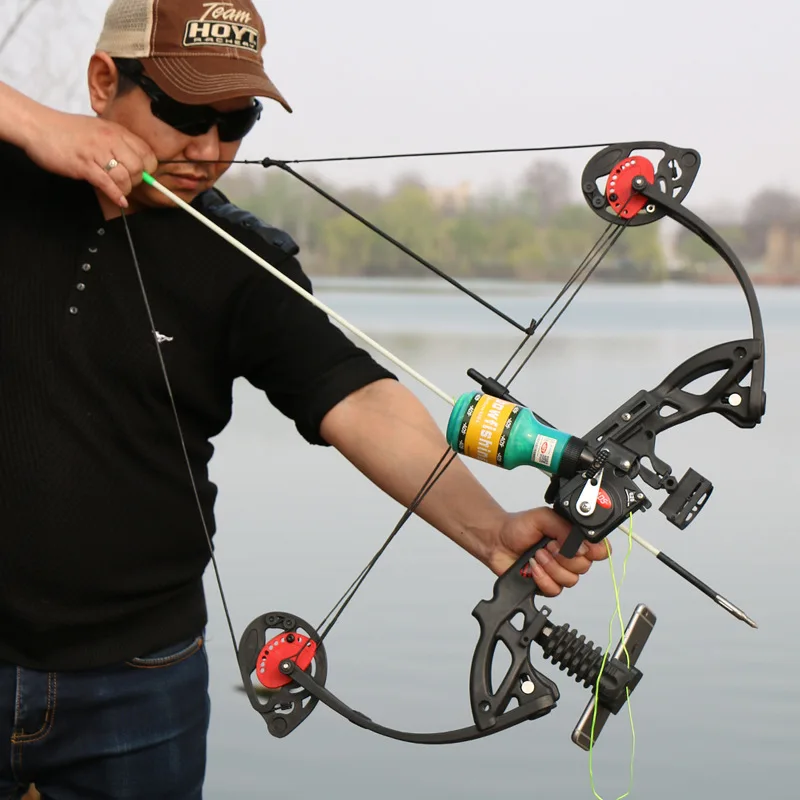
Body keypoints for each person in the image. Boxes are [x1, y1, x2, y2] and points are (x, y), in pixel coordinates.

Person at [0, 0, 609, 797]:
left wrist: (489, 529)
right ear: (103, 81)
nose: (209, 148)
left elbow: (359, 400)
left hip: (139, 677)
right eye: (185, 111)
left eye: (236, 121)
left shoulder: (242, 257)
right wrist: (31, 122)